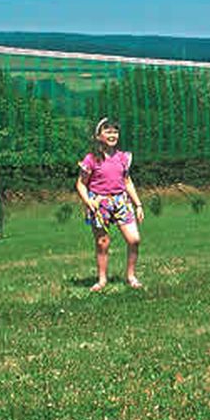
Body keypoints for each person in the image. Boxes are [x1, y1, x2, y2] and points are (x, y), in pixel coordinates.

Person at [76, 118, 145, 291]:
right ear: (98, 136)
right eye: (108, 131)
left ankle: (131, 276)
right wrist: (88, 201)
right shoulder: (91, 159)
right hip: (99, 203)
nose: (112, 134)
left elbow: (127, 182)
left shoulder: (123, 157)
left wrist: (138, 205)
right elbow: (81, 184)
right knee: (102, 242)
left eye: (115, 131)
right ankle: (102, 280)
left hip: (121, 201)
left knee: (134, 239)